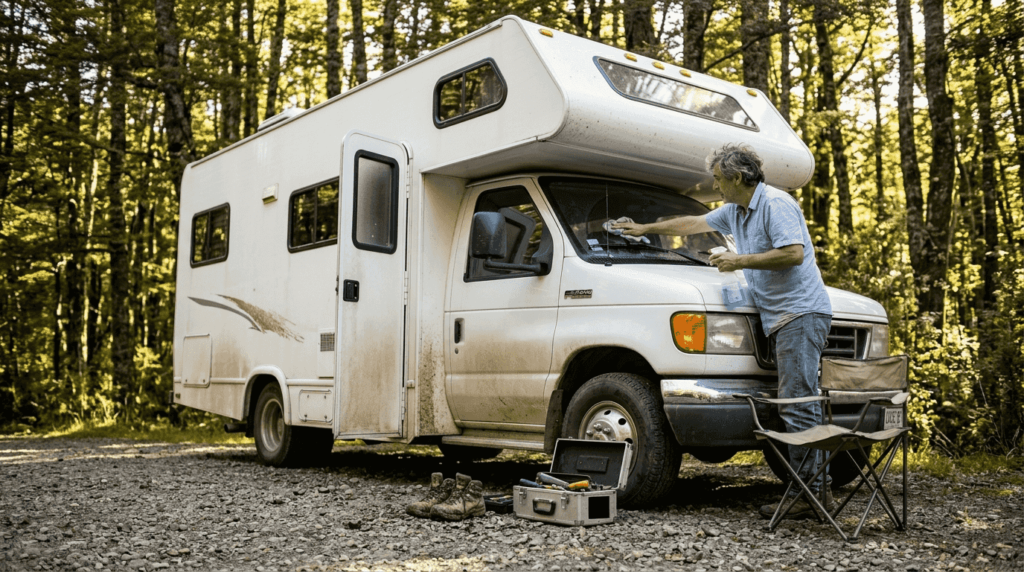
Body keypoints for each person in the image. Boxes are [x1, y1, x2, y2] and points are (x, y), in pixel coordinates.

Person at [613, 143, 833, 519]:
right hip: (780, 317)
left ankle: (813, 495)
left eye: (717, 178)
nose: (714, 185)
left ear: (736, 177)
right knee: (793, 401)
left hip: (800, 313)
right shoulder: (736, 211)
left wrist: (739, 260)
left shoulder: (775, 204)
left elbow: (793, 253)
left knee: (798, 403)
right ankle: (809, 490)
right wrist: (646, 228)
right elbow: (692, 223)